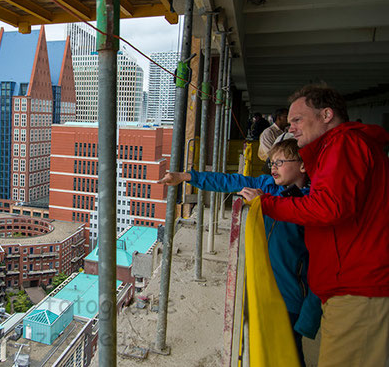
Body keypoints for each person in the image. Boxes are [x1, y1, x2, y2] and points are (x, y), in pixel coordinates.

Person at [239, 85, 389, 367]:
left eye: (297, 119)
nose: (290, 127)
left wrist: (268, 204)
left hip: (357, 288)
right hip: (349, 286)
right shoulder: (337, 150)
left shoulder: (343, 145)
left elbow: (329, 207)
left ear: (327, 115)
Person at [159, 139, 321, 365]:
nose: (273, 168)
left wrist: (310, 317)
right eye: (271, 163)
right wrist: (187, 177)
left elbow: (321, 265)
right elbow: (231, 181)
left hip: (290, 299)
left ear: (303, 165)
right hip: (263, 286)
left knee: (289, 354)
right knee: (261, 347)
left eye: (280, 162)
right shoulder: (269, 186)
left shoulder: (312, 206)